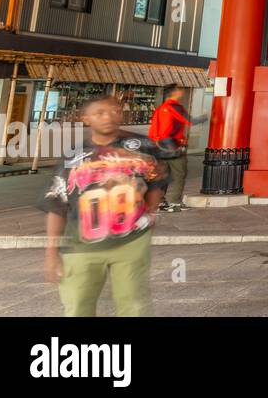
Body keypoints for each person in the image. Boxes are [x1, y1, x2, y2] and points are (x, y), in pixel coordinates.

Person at [41, 93, 168, 316]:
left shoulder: (143, 148)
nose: (109, 117)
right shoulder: (74, 157)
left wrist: (150, 212)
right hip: (81, 245)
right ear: (86, 118)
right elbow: (56, 205)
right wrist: (51, 254)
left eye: (115, 111)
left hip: (131, 241)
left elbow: (157, 182)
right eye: (100, 112)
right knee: (78, 305)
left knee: (134, 305)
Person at [147, 84, 206, 212]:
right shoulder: (175, 107)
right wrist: (208, 116)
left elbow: (153, 130)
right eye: (179, 90)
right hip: (172, 145)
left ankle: (160, 202)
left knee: (163, 174)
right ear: (174, 93)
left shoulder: (160, 108)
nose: (182, 91)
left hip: (158, 145)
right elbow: (191, 121)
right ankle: (175, 202)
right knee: (178, 173)